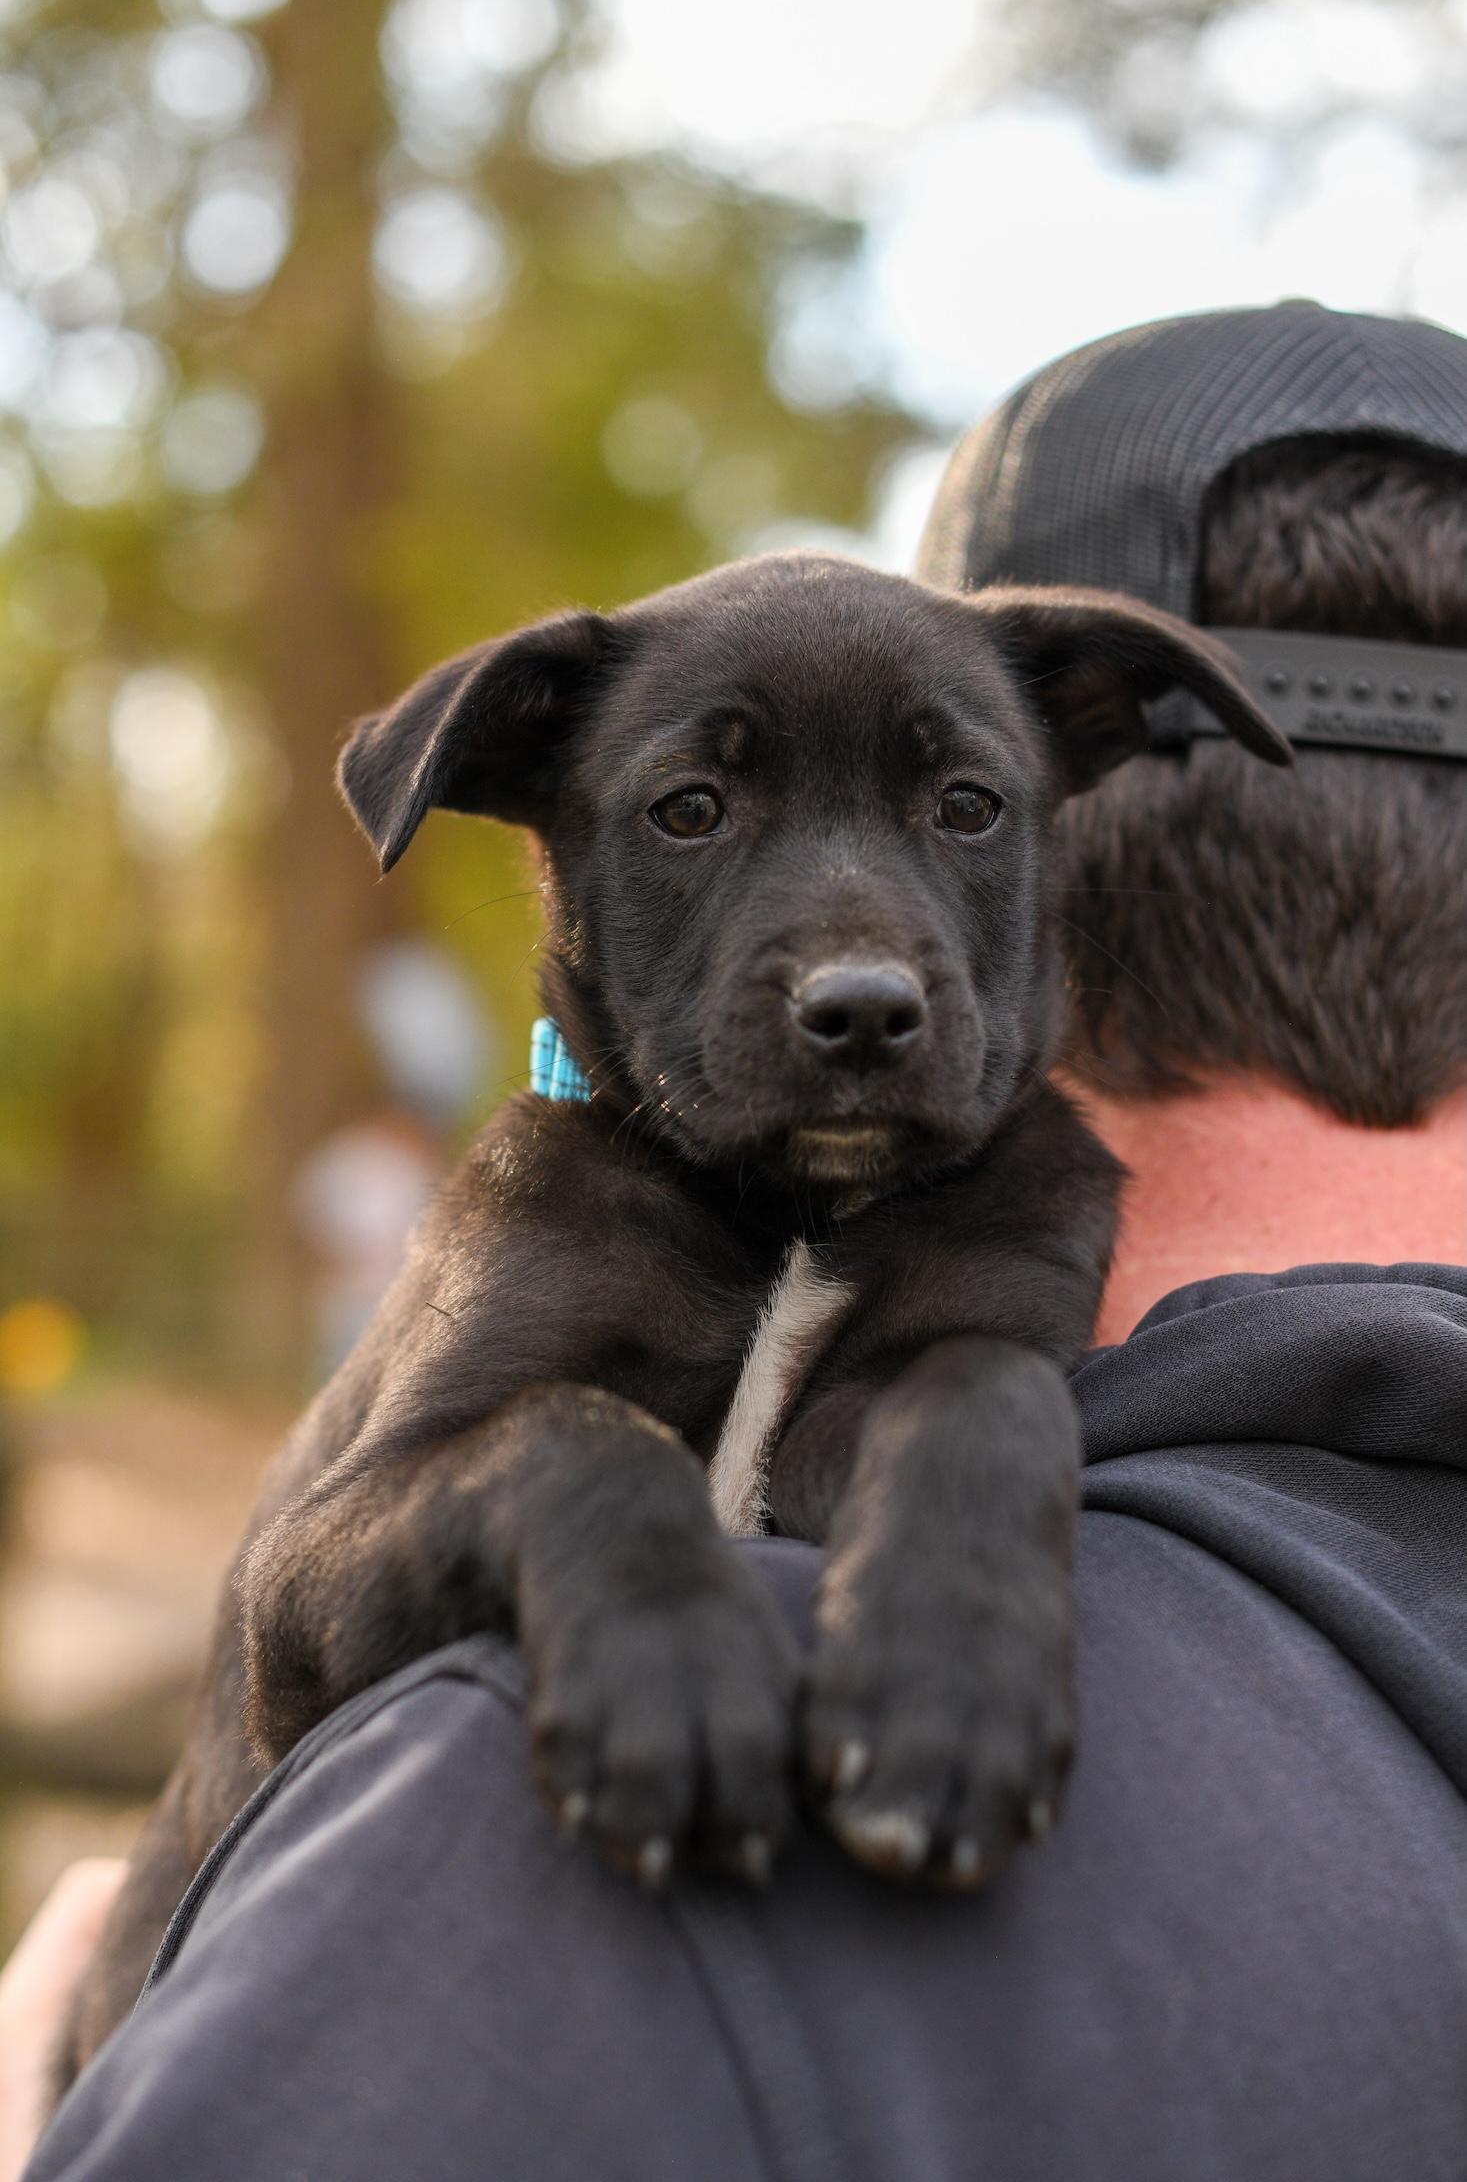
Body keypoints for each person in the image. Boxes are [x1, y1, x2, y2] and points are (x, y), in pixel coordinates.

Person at [14, 301, 1467, 2181]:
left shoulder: (1017, 1205)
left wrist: (987, 1445)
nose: (858, 952)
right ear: (539, 794)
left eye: (956, 808)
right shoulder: (547, 1206)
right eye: (699, 810)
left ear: (1078, 779)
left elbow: (921, 1408)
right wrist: (576, 1489)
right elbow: (311, 1592)